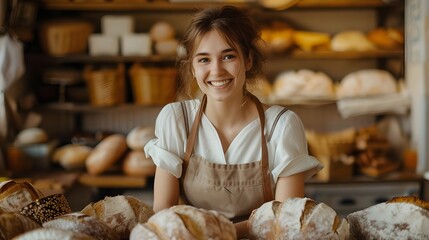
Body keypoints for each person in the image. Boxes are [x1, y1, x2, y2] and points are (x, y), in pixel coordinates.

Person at [144, 5, 323, 238]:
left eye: (228, 56)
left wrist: (217, 233)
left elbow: (285, 221)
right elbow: (162, 214)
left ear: (248, 60)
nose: (216, 70)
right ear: (193, 67)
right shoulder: (177, 120)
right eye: (204, 60)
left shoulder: (281, 125)